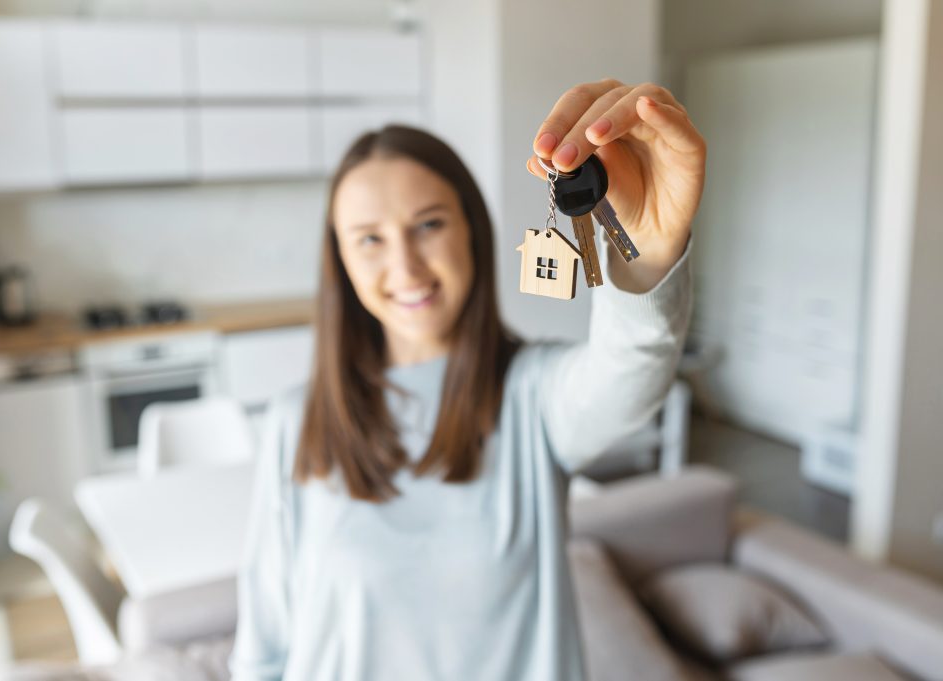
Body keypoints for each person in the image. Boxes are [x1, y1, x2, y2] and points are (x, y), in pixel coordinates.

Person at [230, 78, 706, 681]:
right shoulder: (295, 420)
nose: (404, 266)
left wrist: (648, 251)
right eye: (370, 239)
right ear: (342, 262)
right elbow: (265, 639)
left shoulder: (532, 396)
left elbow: (634, 363)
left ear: (471, 232)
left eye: (429, 225)